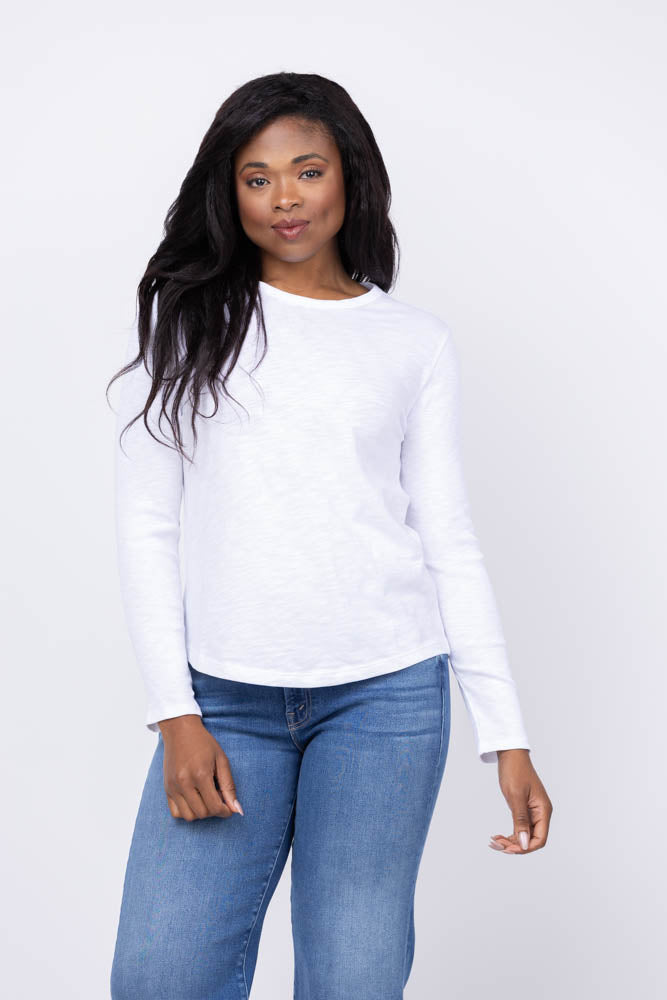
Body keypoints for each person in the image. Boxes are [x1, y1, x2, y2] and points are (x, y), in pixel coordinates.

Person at [108, 71, 553, 1000]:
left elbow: (446, 540)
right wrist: (175, 714)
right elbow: (147, 530)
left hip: (384, 699)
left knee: (353, 980)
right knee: (159, 977)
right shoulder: (191, 325)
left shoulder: (412, 342)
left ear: (348, 176)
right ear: (229, 192)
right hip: (224, 700)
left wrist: (505, 734)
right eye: (257, 177)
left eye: (306, 171)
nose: (284, 198)